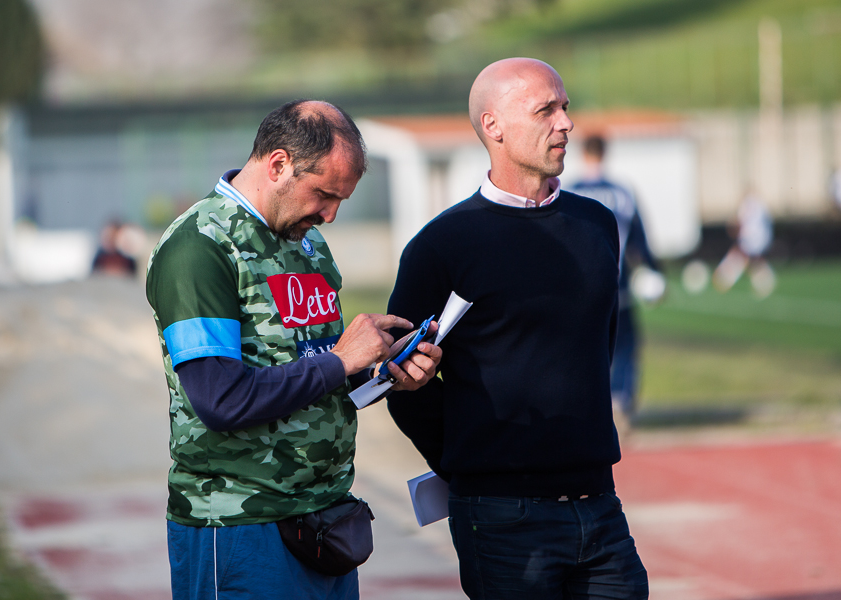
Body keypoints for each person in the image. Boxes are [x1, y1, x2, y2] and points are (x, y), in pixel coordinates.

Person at [145, 100, 441, 600]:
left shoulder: (307, 244)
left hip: (325, 519)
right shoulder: (201, 247)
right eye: (324, 194)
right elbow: (221, 400)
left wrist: (383, 371)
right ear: (278, 164)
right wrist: (342, 360)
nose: (330, 214)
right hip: (240, 524)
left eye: (341, 200)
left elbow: (315, 367)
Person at [385, 58, 649, 600]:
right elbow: (400, 385)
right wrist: (476, 471)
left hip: (600, 505)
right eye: (546, 110)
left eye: (566, 107)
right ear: (493, 126)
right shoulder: (441, 246)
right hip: (501, 519)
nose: (566, 123)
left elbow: (599, 347)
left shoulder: (596, 225)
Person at [570, 134, 664, 426]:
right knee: (624, 346)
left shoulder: (569, 192)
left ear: (583, 153)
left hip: (577, 293)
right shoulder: (622, 193)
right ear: (605, 153)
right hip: (618, 288)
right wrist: (655, 271)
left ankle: (585, 409)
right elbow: (639, 239)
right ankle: (620, 401)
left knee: (582, 350)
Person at [712, 188, 775, 298]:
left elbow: (739, 223)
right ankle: (764, 280)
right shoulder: (761, 205)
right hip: (762, 238)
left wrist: (733, 229)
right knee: (752, 260)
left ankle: (725, 278)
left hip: (749, 238)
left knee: (740, 256)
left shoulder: (746, 205)